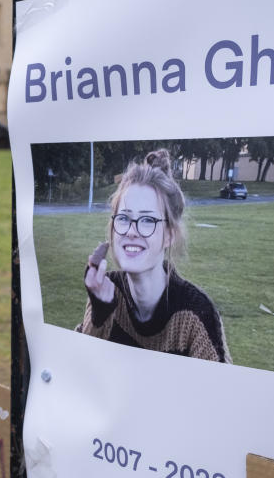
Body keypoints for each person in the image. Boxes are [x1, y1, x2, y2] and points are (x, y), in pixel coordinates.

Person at [75, 150, 231, 363]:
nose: (131, 231)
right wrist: (100, 312)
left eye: (147, 220)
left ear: (169, 235)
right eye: (124, 218)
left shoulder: (196, 313)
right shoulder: (106, 290)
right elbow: (82, 369)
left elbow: (220, 391)